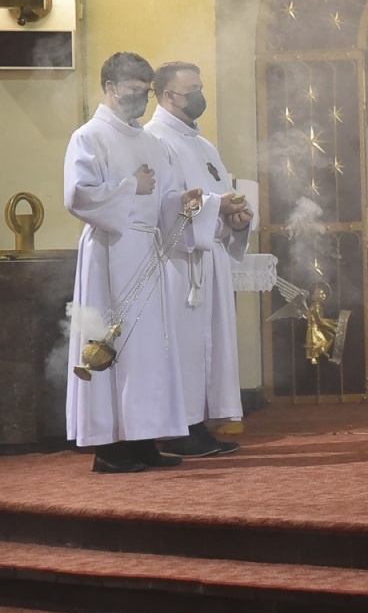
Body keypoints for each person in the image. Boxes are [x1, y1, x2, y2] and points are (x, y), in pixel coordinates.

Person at [64, 52, 212, 473]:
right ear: (110, 88)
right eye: (132, 92)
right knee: (116, 346)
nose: (141, 101)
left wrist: (178, 201)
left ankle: (144, 439)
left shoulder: (149, 141)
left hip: (148, 252)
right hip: (110, 253)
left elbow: (160, 199)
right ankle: (110, 449)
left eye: (145, 93)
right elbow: (78, 196)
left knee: (150, 351)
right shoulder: (88, 137)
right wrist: (132, 186)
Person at [147, 61, 251, 457]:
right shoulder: (156, 140)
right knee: (185, 345)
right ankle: (179, 428)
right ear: (169, 95)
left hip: (210, 258)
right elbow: (164, 206)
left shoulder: (204, 145)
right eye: (192, 88)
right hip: (179, 262)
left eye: (201, 86)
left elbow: (216, 197)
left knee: (209, 343)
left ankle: (199, 423)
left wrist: (237, 219)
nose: (199, 95)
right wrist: (214, 206)